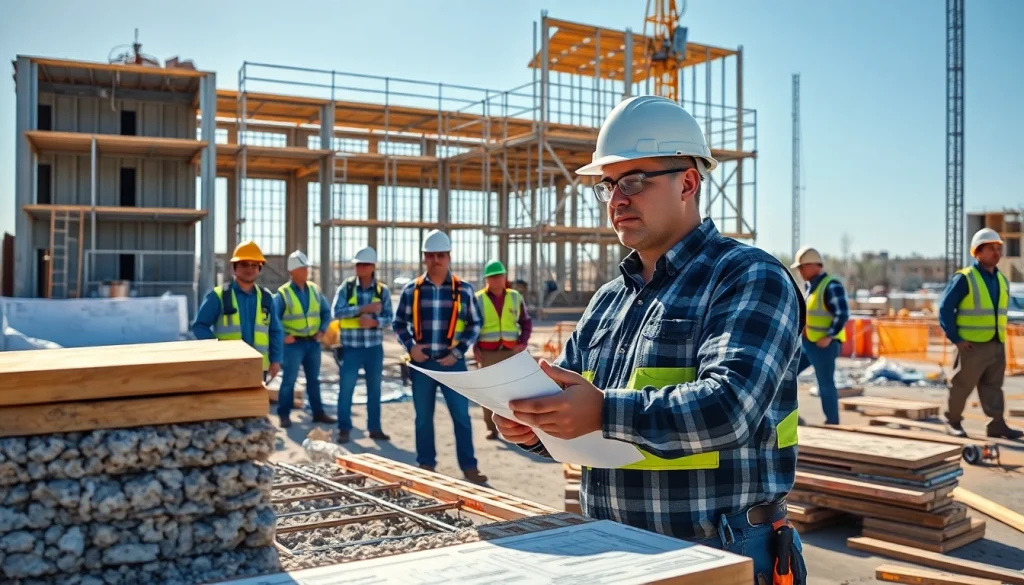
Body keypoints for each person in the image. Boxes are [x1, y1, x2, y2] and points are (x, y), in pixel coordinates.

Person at [491, 96, 807, 583]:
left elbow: (731, 406)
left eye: (634, 181)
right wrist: (535, 425)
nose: (618, 199)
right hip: (610, 547)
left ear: (688, 181)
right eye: (608, 185)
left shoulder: (747, 276)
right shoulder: (608, 301)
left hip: (719, 550)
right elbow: (576, 408)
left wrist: (601, 411)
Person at [392, 229, 488, 484]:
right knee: (423, 418)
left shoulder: (463, 290)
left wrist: (457, 352)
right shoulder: (411, 290)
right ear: (424, 257)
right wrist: (410, 347)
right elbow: (398, 322)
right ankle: (426, 464)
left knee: (461, 417)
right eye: (431, 255)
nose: (436, 260)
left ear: (449, 257)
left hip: (452, 364)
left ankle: (469, 467)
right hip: (422, 366)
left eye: (441, 255)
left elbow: (475, 324)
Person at [938, 228, 1023, 439]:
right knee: (961, 385)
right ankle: (953, 421)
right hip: (971, 345)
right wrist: (956, 339)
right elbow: (945, 309)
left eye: (998, 248)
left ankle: (996, 424)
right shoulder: (965, 278)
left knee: (993, 387)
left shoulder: (1002, 280)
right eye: (991, 249)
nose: (997, 253)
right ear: (977, 252)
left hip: (996, 343)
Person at [192, 240, 283, 382]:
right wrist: (215, 349)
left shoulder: (266, 298)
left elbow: (275, 331)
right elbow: (199, 326)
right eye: (244, 264)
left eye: (254, 265)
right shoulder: (218, 296)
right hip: (227, 367)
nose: (250, 269)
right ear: (234, 268)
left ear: (260, 269)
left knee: (253, 404)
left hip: (258, 368)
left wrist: (276, 360)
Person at [331, 245, 394, 443]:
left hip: (374, 349)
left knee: (374, 390)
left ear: (373, 266)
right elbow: (337, 312)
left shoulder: (382, 290)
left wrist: (375, 322)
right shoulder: (346, 287)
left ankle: (374, 428)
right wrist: (362, 309)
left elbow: (390, 318)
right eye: (358, 265)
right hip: (351, 348)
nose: (360, 268)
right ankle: (344, 429)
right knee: (346, 389)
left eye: (364, 265)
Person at [273, 250, 335, 428]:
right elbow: (273, 319)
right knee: (289, 381)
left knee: (314, 380)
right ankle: (284, 414)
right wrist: (283, 336)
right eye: (303, 268)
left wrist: (323, 330)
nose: (306, 271)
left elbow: (325, 312)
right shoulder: (283, 293)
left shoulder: (314, 290)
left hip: (313, 343)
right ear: (292, 271)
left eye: (306, 267)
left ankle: (318, 413)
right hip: (294, 345)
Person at [472, 259, 532, 440]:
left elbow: (526, 322)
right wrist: (474, 346)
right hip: (487, 352)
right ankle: (491, 428)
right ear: (486, 279)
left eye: (499, 276)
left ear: (505, 277)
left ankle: (514, 427)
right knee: (487, 392)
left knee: (513, 392)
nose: (496, 279)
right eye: (492, 277)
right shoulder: (478, 299)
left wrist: (523, 342)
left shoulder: (515, 297)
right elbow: (471, 325)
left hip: (510, 351)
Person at [791, 246, 849, 425]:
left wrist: (829, 336)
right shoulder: (811, 287)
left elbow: (842, 314)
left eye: (802, 267)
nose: (800, 271)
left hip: (824, 345)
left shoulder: (831, 285)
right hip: (808, 343)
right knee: (787, 375)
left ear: (813, 266)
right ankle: (791, 416)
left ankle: (832, 422)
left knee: (825, 384)